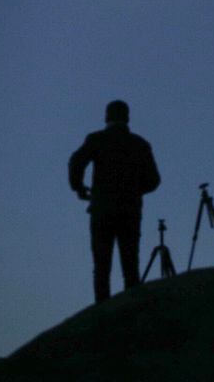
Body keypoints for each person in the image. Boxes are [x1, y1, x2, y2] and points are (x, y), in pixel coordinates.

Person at [69, 100, 161, 303]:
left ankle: (102, 309)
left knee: (101, 266)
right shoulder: (140, 144)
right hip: (130, 211)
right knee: (130, 264)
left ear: (106, 117)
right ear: (127, 117)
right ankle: (132, 307)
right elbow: (154, 180)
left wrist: (79, 188)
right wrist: (135, 191)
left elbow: (76, 161)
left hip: (102, 209)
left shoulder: (97, 139)